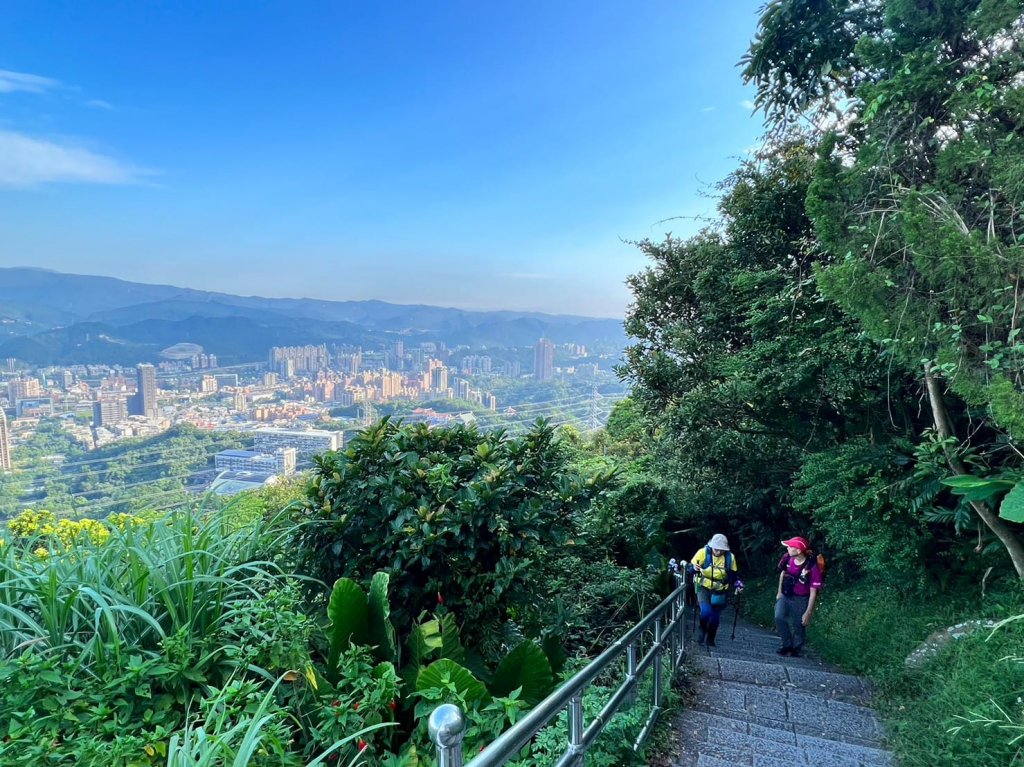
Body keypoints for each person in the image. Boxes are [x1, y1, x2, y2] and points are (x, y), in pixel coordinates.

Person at [689, 533, 743, 647]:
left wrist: (738, 584)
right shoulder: (703, 553)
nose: (718, 552)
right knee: (706, 611)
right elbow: (690, 569)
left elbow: (733, 575)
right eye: (716, 549)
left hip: (720, 589)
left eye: (721, 550)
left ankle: (710, 638)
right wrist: (694, 568)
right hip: (703, 586)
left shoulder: (730, 558)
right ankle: (702, 630)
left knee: (715, 617)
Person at [775, 536, 822, 657]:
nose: (788, 549)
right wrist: (779, 592)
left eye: (791, 547)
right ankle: (786, 645)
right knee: (779, 616)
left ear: (799, 550)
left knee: (799, 624)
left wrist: (808, 612)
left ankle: (796, 648)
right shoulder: (787, 558)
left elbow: (813, 591)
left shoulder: (812, 566)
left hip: (802, 598)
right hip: (786, 594)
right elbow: (783, 573)